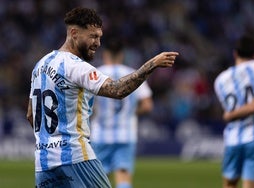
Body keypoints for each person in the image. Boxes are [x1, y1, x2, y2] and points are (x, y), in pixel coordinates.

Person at [26, 7, 178, 188]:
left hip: (43, 163)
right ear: (74, 33)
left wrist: (49, 140)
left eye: (99, 37)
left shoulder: (40, 66)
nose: (98, 43)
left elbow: (30, 114)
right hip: (76, 157)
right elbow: (117, 90)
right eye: (93, 36)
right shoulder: (76, 66)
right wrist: (152, 65)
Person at [90, 39, 153, 188]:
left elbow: (86, 105)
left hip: (100, 134)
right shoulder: (133, 75)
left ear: (105, 54)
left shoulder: (95, 74)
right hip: (126, 134)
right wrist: (130, 111)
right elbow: (147, 105)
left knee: (97, 180)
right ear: (121, 55)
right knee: (123, 178)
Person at [214, 34, 254, 188]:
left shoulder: (220, 80)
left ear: (235, 53)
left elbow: (227, 108)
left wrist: (230, 115)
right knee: (250, 185)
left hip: (232, 137)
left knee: (229, 184)